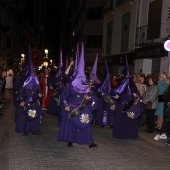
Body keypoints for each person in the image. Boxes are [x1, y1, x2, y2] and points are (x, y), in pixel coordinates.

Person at [58, 42, 97, 148]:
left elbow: (90, 96)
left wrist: (88, 98)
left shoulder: (86, 86)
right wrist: (66, 104)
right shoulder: (70, 85)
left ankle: (89, 142)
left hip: (82, 108)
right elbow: (64, 96)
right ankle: (70, 141)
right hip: (72, 107)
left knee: (85, 124)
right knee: (71, 125)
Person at [111, 56, 143, 139]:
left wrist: (136, 96)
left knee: (129, 120)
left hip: (129, 105)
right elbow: (113, 93)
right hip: (123, 105)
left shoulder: (131, 84)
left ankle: (127, 134)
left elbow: (138, 94)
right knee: (123, 120)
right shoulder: (123, 83)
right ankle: (123, 134)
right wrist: (117, 96)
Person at [15, 47, 43, 136]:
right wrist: (22, 100)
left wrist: (40, 94)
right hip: (26, 101)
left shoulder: (36, 83)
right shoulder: (24, 84)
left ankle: (35, 129)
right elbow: (20, 93)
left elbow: (40, 91)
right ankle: (26, 130)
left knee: (35, 115)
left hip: (34, 102)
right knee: (26, 116)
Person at [154, 77, 170, 142]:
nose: (165, 81)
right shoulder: (167, 87)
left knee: (165, 120)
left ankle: (161, 132)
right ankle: (163, 132)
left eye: (166, 80)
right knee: (165, 119)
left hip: (167, 105)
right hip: (165, 105)